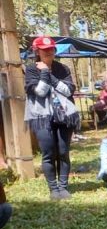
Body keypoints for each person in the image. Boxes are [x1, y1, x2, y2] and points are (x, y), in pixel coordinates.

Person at [23, 36, 78, 199]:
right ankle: (53, 189)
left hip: (65, 115)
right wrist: (45, 73)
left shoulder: (63, 69)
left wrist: (47, 73)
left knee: (63, 152)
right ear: (37, 51)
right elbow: (40, 91)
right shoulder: (31, 70)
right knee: (48, 152)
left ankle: (63, 187)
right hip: (41, 116)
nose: (48, 52)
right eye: (44, 49)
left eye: (51, 49)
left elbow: (67, 91)